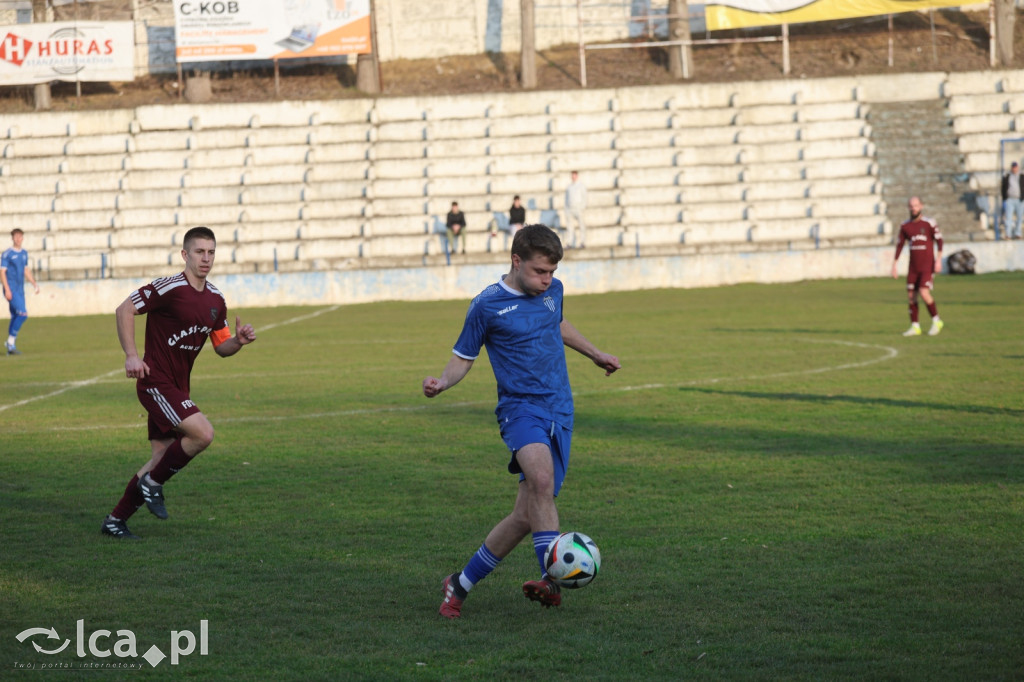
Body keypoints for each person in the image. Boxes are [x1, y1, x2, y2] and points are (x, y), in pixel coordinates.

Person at [423, 223, 621, 619]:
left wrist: (595, 353)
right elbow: (464, 356)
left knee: (525, 516)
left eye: (552, 272)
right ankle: (550, 578)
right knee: (541, 481)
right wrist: (443, 382)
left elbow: (557, 322)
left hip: (560, 409)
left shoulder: (553, 291)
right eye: (540, 271)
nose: (548, 279)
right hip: (520, 410)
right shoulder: (486, 305)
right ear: (516, 261)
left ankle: (459, 585)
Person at [101, 226, 257, 540]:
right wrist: (132, 355)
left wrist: (238, 342)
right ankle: (152, 483)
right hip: (155, 382)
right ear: (185, 254)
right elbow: (125, 309)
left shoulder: (216, 299)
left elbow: (221, 346)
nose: (206, 258)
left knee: (161, 458)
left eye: (211, 252)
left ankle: (115, 520)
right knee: (203, 433)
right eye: (199, 252)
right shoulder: (169, 287)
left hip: (178, 387)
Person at [891, 196, 944, 337]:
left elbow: (940, 241)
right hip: (913, 268)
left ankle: (937, 321)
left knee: (924, 292)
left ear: (921, 206)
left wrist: (938, 260)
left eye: (916, 205)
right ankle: (915, 326)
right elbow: (900, 245)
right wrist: (894, 265)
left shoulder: (929, 223)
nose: (913, 208)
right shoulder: (905, 226)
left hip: (927, 266)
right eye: (911, 206)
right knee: (911, 296)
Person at [1, 228, 40, 355]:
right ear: (12, 238)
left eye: (20, 236)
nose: (18, 239)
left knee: (15, 315)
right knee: (23, 314)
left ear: (22, 238)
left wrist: (34, 283)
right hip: (11, 288)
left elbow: (25, 270)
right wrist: (7, 289)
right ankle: (10, 342)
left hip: (20, 289)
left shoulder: (24, 253)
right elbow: (2, 272)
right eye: (15, 236)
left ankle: (11, 347)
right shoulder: (7, 254)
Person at [564, 171, 587, 249]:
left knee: (581, 226)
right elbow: (566, 198)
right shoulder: (569, 187)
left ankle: (583, 242)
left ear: (577, 176)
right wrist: (566, 209)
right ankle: (569, 243)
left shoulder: (581, 186)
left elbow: (584, 197)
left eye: (574, 175)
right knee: (569, 227)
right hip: (570, 209)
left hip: (578, 208)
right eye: (572, 176)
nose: (573, 177)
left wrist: (582, 207)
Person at [1001, 161, 1024, 239]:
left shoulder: (1022, 176)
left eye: (1015, 167)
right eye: (1013, 167)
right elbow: (1003, 187)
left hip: (1020, 200)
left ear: (1018, 167)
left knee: (1019, 217)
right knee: (1008, 217)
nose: (1014, 169)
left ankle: (1018, 233)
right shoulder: (1007, 176)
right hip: (1010, 199)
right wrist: (1004, 198)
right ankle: (1008, 234)